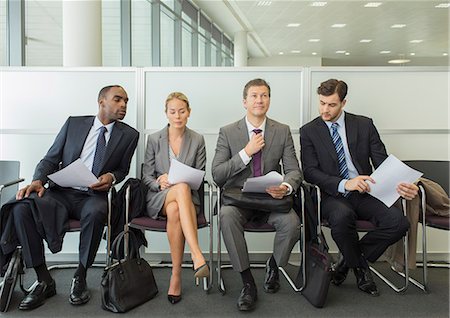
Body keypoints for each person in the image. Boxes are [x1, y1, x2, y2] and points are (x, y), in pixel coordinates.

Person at [0, 85, 139, 310]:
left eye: (126, 101)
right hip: (61, 191)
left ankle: (80, 276)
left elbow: (123, 169)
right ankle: (44, 279)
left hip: (94, 195)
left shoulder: (129, 135)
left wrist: (111, 177)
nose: (123, 105)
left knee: (96, 213)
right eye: (118, 99)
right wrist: (38, 180)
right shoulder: (74, 124)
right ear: (101, 101)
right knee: (20, 208)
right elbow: (50, 158)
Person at [300, 78, 418, 296]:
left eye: (331, 104)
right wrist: (345, 183)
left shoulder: (364, 124)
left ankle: (347, 262)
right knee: (342, 217)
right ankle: (362, 270)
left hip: (365, 192)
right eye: (322, 103)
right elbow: (310, 172)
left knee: (399, 223)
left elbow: (382, 162)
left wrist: (403, 183)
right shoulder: (309, 131)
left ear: (343, 103)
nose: (325, 109)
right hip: (332, 194)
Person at [212, 78, 302, 311]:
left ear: (269, 100)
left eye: (264, 95)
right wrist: (245, 153)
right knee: (226, 217)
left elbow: (293, 170)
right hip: (239, 200)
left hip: (271, 200)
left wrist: (287, 187)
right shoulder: (228, 132)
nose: (259, 100)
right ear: (245, 101)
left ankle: (274, 265)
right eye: (254, 95)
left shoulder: (281, 131)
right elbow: (217, 175)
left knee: (292, 223)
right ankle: (247, 281)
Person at [142, 92, 209, 305]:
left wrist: (181, 180)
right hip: (159, 196)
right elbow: (146, 176)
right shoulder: (154, 139)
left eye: (182, 111)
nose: (177, 116)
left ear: (188, 113)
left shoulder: (197, 139)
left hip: (187, 199)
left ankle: (176, 276)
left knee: (176, 208)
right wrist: (159, 182)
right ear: (166, 113)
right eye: (173, 111)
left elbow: (199, 176)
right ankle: (197, 255)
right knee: (178, 189)